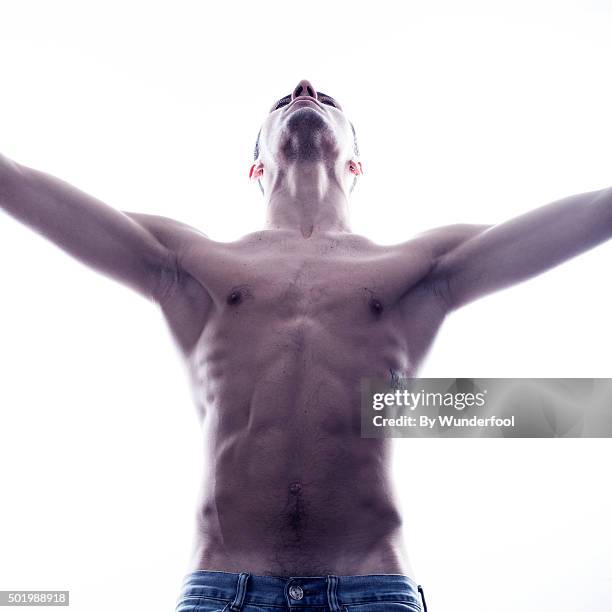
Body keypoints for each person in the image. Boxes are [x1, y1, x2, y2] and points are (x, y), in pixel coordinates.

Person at [1, 78, 611, 612]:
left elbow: (593, 214)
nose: (304, 86)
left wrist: (571, 408)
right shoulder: (187, 263)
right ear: (256, 169)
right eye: (283, 98)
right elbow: (18, 184)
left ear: (356, 166)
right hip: (224, 591)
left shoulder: (421, 265)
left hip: (374, 590)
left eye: (327, 97)